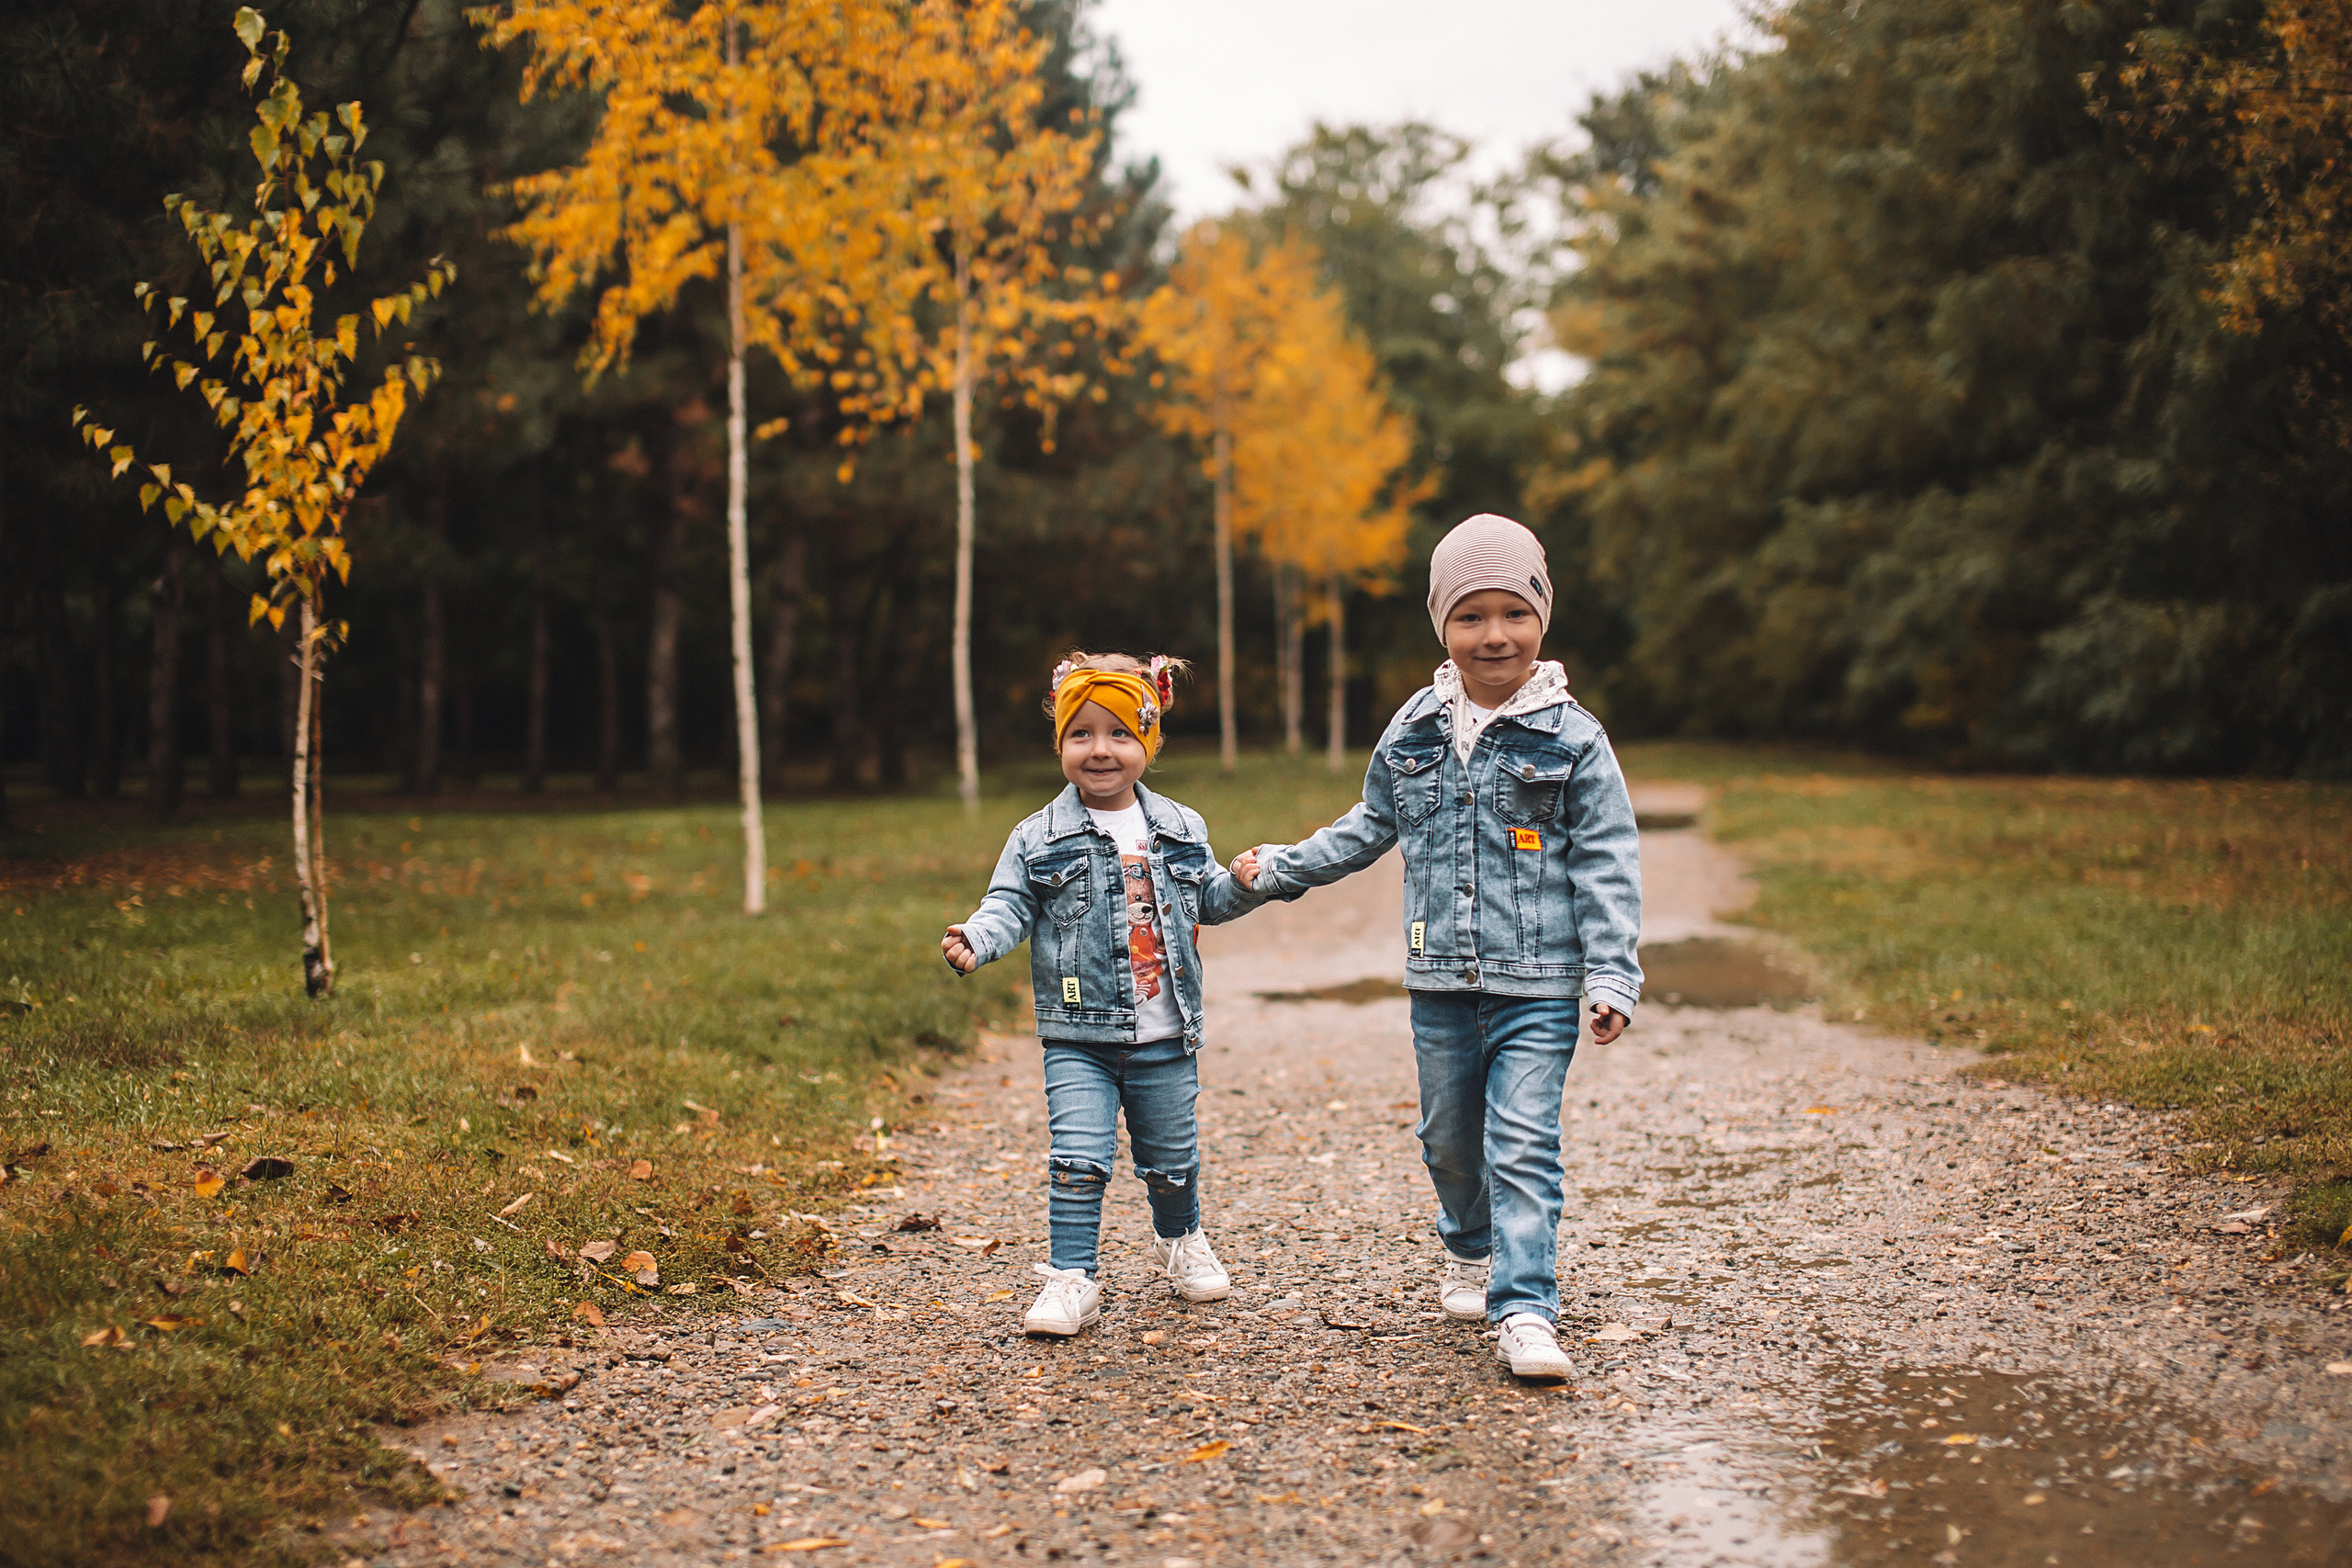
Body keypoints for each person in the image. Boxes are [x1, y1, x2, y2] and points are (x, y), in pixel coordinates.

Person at [1231, 514, 1642, 1382]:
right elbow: (1367, 826)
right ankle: (1469, 1242)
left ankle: (1526, 1308)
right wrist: (1280, 868)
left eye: (1514, 613)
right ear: (1440, 623)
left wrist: (1611, 972)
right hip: (1441, 982)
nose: (1495, 635)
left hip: (1540, 982)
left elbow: (1607, 859)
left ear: (1542, 616)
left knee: (1522, 1142)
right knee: (1449, 1139)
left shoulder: (1574, 738)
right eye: (1470, 616)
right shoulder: (1414, 729)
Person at [943, 653, 1266, 1337]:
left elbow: (1207, 898)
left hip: (1164, 1033)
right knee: (1077, 1158)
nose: (1100, 749)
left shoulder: (1180, 826)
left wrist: (1240, 883)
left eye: (1120, 733)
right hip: (1078, 1035)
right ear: (1060, 742)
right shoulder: (1037, 836)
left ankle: (1180, 1240)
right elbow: (1008, 904)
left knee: (1171, 1162)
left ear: (1149, 741)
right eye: (1081, 733)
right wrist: (979, 936)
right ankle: (1071, 1275)